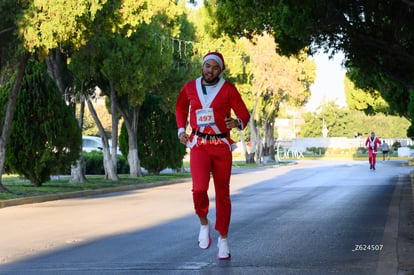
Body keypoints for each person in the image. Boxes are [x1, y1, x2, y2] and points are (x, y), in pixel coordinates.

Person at [175, 52, 250, 260]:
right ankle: (203, 222)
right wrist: (181, 130)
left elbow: (244, 113)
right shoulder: (190, 87)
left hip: (221, 147)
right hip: (199, 144)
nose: (210, 71)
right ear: (202, 66)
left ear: (221, 70)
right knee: (199, 189)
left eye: (215, 67)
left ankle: (223, 238)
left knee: (222, 194)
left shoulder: (228, 89)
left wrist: (237, 122)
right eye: (207, 66)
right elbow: (180, 107)